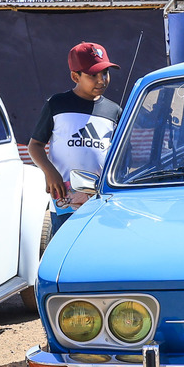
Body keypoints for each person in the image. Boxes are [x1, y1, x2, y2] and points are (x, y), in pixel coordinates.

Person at [27, 42, 122, 233]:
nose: (101, 80)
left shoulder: (114, 111)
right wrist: (50, 173)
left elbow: (122, 155)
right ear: (75, 77)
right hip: (65, 201)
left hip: (101, 201)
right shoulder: (57, 104)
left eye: (105, 73)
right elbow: (35, 146)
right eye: (93, 75)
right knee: (66, 245)